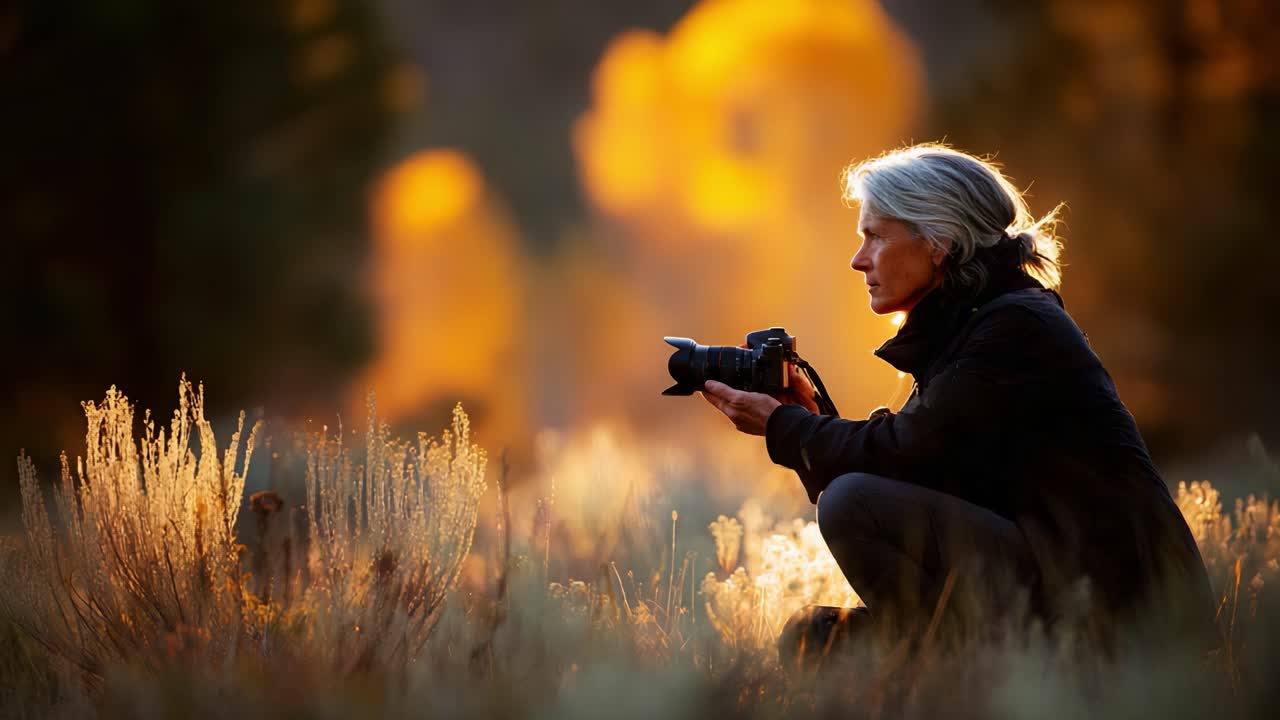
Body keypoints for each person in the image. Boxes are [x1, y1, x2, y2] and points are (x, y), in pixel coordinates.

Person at [698, 143, 1218, 667]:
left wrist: (785, 427)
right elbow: (928, 466)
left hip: (1122, 614)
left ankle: (960, 675)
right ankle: (948, 672)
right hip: (1069, 585)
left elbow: (905, 453)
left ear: (939, 240)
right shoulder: (971, 325)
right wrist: (808, 425)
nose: (859, 260)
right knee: (817, 641)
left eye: (875, 235)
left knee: (850, 504)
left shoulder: (1015, 326)